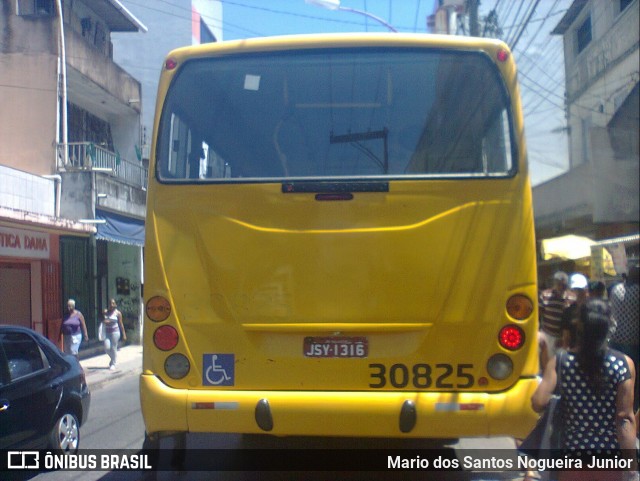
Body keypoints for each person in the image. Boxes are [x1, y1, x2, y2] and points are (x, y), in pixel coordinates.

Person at [531, 299, 637, 481]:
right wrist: (632, 466)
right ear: (609, 326)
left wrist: (563, 401)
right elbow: (624, 418)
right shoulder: (623, 364)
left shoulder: (561, 361)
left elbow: (538, 402)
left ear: (579, 326)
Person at [609, 264, 639, 410]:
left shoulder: (615, 289)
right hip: (633, 341)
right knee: (632, 377)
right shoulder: (638, 291)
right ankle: (630, 406)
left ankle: (616, 402)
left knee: (617, 374)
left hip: (615, 339)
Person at [539, 271, 576, 371]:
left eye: (563, 284)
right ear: (554, 283)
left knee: (560, 364)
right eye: (558, 283)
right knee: (546, 364)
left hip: (564, 336)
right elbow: (539, 314)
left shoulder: (572, 297)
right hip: (548, 335)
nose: (561, 286)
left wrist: (564, 339)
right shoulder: (545, 295)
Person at [560, 273, 589, 350]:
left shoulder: (593, 309)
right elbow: (566, 336)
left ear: (586, 289)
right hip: (574, 350)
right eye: (576, 289)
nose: (579, 293)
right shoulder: (568, 311)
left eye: (581, 290)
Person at [103, 298, 126, 370]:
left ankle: (113, 363)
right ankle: (112, 359)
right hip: (107, 332)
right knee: (107, 348)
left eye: (113, 303)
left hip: (115, 332)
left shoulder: (118, 313)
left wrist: (124, 334)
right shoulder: (106, 312)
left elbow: (121, 324)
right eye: (110, 303)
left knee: (113, 348)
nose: (111, 305)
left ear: (115, 304)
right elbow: (102, 320)